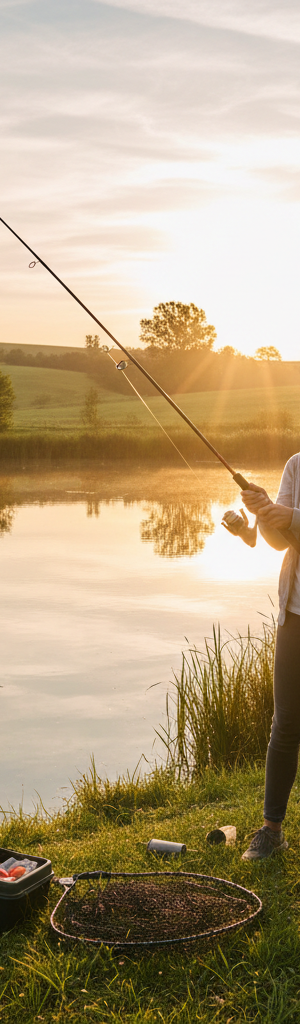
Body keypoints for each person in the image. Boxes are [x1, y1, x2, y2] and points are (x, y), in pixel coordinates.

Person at [222, 452, 300, 861]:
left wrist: (286, 515)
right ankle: (272, 831)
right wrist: (267, 515)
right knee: (285, 721)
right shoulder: (295, 465)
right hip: (295, 614)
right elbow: (277, 542)